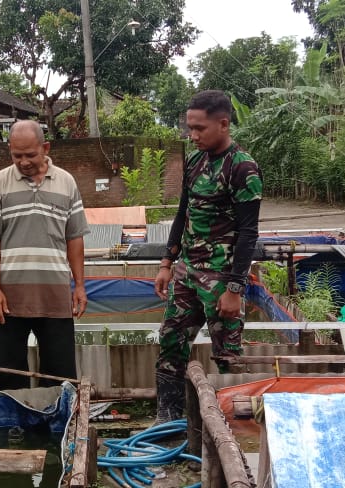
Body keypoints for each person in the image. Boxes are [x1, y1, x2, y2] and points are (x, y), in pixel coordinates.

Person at [152, 90, 263, 424]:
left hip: (221, 278)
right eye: (190, 128)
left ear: (224, 124)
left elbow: (249, 232)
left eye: (199, 128)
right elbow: (182, 213)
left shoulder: (243, 168)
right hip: (186, 272)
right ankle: (168, 417)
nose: (193, 135)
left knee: (227, 354)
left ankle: (233, 426)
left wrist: (235, 288)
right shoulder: (194, 161)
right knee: (171, 340)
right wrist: (167, 263)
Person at [0, 119, 89, 390]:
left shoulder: (67, 183)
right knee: (7, 375)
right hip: (8, 299)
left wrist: (80, 286)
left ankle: (56, 417)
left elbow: (74, 238)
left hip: (55, 295)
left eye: (30, 155)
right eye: (17, 155)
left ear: (45, 148)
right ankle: (13, 418)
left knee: (60, 378)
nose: (23, 162)